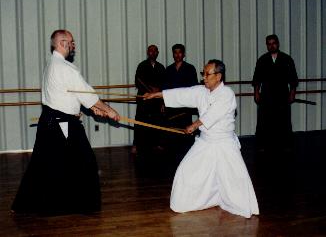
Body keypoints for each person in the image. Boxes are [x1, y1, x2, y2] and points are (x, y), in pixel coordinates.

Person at [11, 29, 120, 215]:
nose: (73, 45)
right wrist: (108, 110)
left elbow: (69, 94)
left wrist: (93, 108)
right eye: (71, 42)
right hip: (63, 124)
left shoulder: (52, 65)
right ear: (62, 43)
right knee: (85, 162)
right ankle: (84, 206)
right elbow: (87, 94)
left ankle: (28, 204)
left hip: (51, 121)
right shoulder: (65, 68)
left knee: (47, 164)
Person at [144, 60, 259, 218]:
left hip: (224, 144)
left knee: (234, 179)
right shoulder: (201, 91)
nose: (204, 77)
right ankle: (194, 201)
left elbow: (214, 113)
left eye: (207, 74)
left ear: (218, 76)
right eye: (203, 74)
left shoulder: (227, 93)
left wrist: (194, 125)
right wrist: (157, 95)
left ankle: (236, 203)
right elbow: (181, 94)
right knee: (185, 170)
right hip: (205, 141)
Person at [252, 34, 298, 151]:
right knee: (264, 121)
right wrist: (256, 93)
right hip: (266, 95)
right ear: (267, 45)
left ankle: (285, 145)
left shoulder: (287, 59)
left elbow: (293, 78)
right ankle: (262, 145)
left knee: (284, 120)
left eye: (274, 43)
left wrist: (292, 93)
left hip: (282, 94)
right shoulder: (262, 60)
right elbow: (257, 78)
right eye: (269, 44)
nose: (272, 46)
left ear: (278, 43)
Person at [162, 44, 198, 162]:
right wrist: (163, 102)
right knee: (171, 129)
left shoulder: (190, 68)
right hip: (172, 105)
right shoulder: (168, 69)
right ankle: (172, 156)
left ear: (184, 54)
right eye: (175, 52)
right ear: (173, 54)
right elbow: (165, 88)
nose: (177, 55)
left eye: (180, 52)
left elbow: (194, 87)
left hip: (185, 105)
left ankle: (188, 155)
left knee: (185, 128)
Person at [133, 45, 165, 156]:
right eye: (150, 50)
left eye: (155, 50)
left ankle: (157, 143)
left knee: (158, 121)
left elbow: (164, 84)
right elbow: (138, 81)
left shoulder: (161, 67)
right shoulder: (142, 65)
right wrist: (151, 90)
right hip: (144, 98)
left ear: (157, 53)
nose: (153, 52)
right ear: (147, 52)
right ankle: (136, 145)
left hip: (157, 100)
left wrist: (162, 100)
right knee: (140, 122)